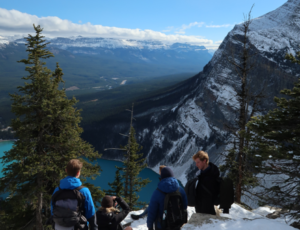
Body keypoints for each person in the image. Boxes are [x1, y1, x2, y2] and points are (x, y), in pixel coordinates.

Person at [51, 159, 98, 230]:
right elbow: (91, 214)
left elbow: (52, 211)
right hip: (77, 227)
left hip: (59, 227)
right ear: (78, 172)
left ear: (66, 170)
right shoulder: (84, 191)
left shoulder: (57, 190)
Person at [193, 150, 220, 215]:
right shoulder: (202, 175)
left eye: (198, 162)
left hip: (207, 213)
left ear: (204, 161)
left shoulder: (211, 177)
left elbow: (208, 198)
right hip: (201, 211)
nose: (196, 165)